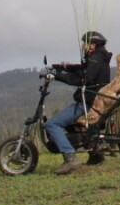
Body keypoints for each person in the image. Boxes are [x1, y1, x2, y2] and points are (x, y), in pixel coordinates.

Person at [44, 30, 112, 175]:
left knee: (52, 124)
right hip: (94, 101)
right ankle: (95, 155)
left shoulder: (95, 59)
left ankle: (70, 158)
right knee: (71, 126)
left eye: (85, 44)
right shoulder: (99, 58)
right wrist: (62, 67)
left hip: (87, 103)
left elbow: (82, 78)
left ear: (92, 45)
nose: (83, 47)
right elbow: (82, 69)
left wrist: (56, 77)